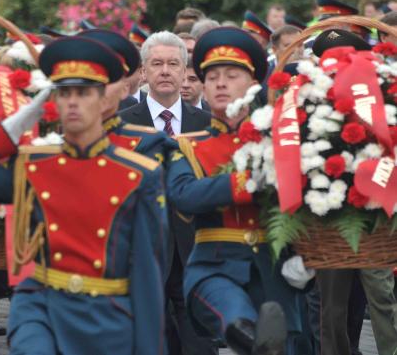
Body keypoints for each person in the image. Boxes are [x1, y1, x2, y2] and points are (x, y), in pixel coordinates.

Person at [0, 36, 167, 355]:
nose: (72, 102)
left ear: (105, 101)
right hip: (41, 311)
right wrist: (12, 127)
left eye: (83, 93)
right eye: (63, 93)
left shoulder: (138, 175)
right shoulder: (36, 166)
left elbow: (146, 276)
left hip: (107, 319)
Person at [167, 26, 313, 355]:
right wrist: (246, 182)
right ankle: (250, 338)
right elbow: (183, 195)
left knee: (286, 341)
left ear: (253, 84)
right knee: (238, 322)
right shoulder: (187, 146)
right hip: (215, 267)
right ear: (202, 86)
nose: (220, 82)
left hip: (276, 270)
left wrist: (310, 255)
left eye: (232, 75)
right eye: (212, 76)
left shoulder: (282, 140)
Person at [120, 30, 215, 355]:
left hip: (195, 247)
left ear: (185, 70)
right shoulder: (121, 125)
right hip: (141, 247)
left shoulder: (207, 123)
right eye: (156, 64)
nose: (164, 71)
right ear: (143, 72)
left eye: (173, 64)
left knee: (198, 338)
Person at [312, 29, 397, 355]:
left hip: (374, 211)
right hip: (328, 214)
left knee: (381, 293)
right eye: (329, 61)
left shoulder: (380, 97)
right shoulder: (307, 100)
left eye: (344, 59)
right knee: (332, 304)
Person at [79, 28, 173, 161]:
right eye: (90, 82)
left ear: (124, 88)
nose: (99, 90)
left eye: (109, 80)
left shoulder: (149, 144)